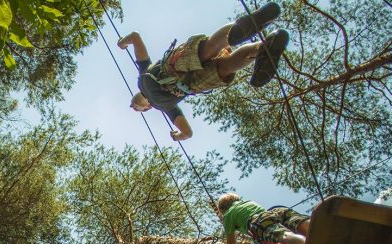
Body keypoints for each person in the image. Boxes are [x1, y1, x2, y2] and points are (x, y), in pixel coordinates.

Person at [117, 2, 288, 141]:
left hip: (172, 66)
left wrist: (122, 43)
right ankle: (265, 46)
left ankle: (243, 26)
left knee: (207, 49)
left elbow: (135, 36)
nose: (132, 106)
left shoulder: (143, 70)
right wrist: (179, 136)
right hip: (191, 84)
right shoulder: (168, 108)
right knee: (225, 67)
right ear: (147, 108)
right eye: (135, 109)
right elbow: (188, 133)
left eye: (133, 106)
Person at [217, 192, 310, 244]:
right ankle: (310, 227)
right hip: (273, 212)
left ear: (223, 209)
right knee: (296, 222)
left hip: (257, 221)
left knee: (283, 235)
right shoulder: (248, 202)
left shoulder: (227, 215)